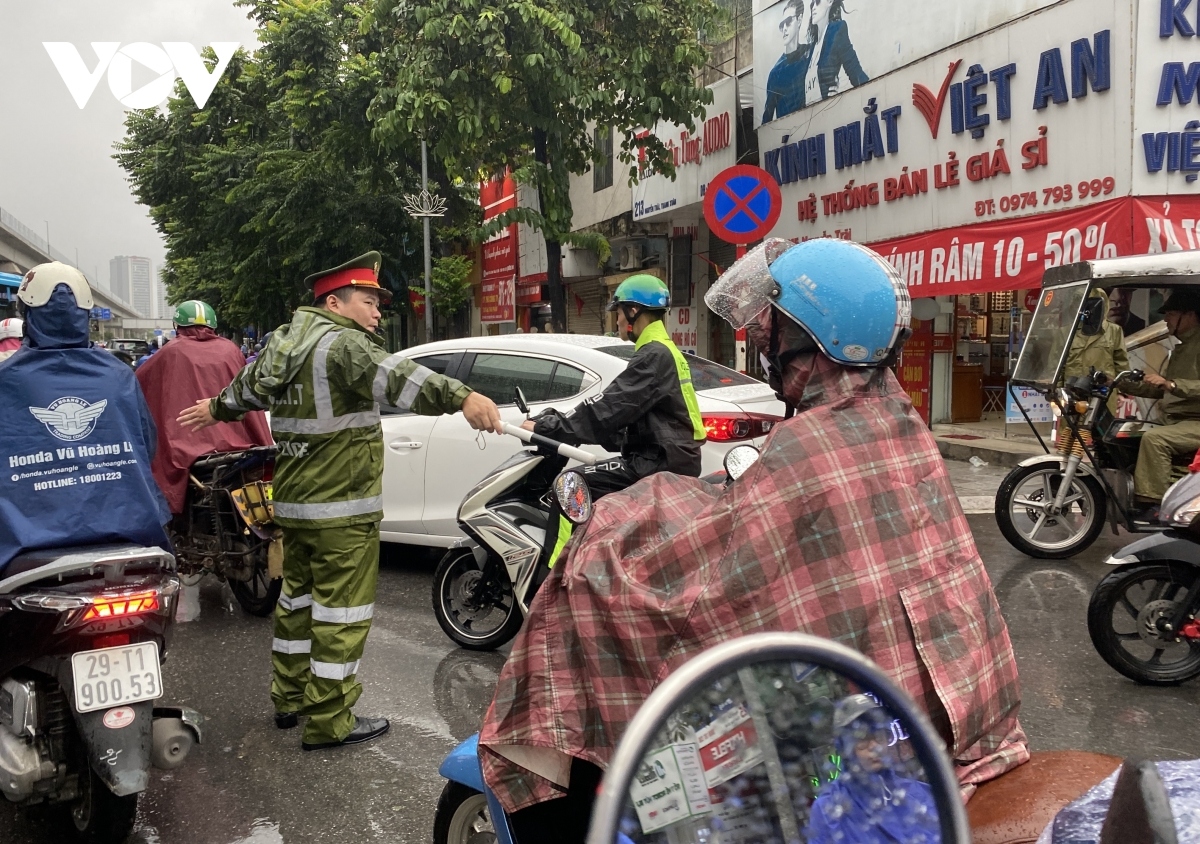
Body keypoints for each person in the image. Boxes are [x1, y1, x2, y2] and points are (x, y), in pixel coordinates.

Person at [479, 239, 1027, 842]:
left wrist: (616, 528)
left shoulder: (797, 436)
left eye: (774, 332)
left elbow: (710, 575)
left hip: (873, 741)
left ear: (812, 339)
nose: (765, 346)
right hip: (959, 714)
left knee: (603, 582)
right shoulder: (896, 421)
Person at [178, 251, 502, 752]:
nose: (378, 312)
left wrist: (215, 407)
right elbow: (401, 378)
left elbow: (245, 390)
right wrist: (463, 397)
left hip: (295, 507)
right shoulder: (344, 346)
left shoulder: (283, 344)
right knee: (341, 616)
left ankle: (288, 698)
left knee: (297, 605)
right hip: (342, 511)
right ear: (335, 301)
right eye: (368, 300)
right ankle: (329, 721)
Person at [522, 273, 706, 569]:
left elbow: (607, 408)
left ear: (634, 312)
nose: (617, 320)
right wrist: (597, 434)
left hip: (657, 463)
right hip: (669, 458)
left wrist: (548, 427)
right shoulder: (663, 350)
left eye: (618, 312)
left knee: (570, 484)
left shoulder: (652, 355)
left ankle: (554, 579)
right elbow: (628, 415)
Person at [0, 263, 170, 571]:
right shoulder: (118, 375)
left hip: (23, 548)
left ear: (27, 315)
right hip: (131, 530)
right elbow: (148, 444)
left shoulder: (5, 380)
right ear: (86, 316)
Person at [135, 300, 273, 515]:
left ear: (177, 326)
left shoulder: (169, 352)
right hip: (242, 444)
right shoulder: (231, 349)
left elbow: (137, 390)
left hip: (186, 448)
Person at [807, 695, 941, 844]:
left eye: (878, 735)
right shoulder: (827, 810)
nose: (874, 747)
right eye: (862, 738)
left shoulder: (921, 794)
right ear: (844, 748)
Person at [1118, 288, 1200, 520]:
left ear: (1190, 315)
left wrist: (1172, 384)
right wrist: (1118, 383)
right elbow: (1159, 388)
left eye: (1171, 314)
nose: (1165, 319)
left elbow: (1170, 385)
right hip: (1175, 420)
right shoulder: (1182, 348)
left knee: (1155, 439)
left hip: (1194, 422)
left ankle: (1154, 506)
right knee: (1124, 433)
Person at [1063, 289, 1130, 417]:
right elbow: (1058, 365)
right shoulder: (1066, 332)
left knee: (1100, 432)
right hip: (1073, 393)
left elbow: (1121, 364)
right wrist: (1058, 393)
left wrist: (1121, 391)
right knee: (1071, 434)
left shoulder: (1113, 331)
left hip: (1103, 394)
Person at [804, 0, 868, 105]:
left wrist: (874, 94)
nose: (813, 7)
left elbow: (855, 72)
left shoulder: (836, 31)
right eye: (812, 4)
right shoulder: (811, 49)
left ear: (829, 2)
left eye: (818, 2)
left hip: (827, 112)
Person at [762, 0, 811, 123]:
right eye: (781, 25)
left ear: (799, 20)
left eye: (788, 22)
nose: (784, 28)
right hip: (789, 136)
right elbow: (766, 118)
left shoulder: (811, 51)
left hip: (816, 122)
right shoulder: (776, 73)